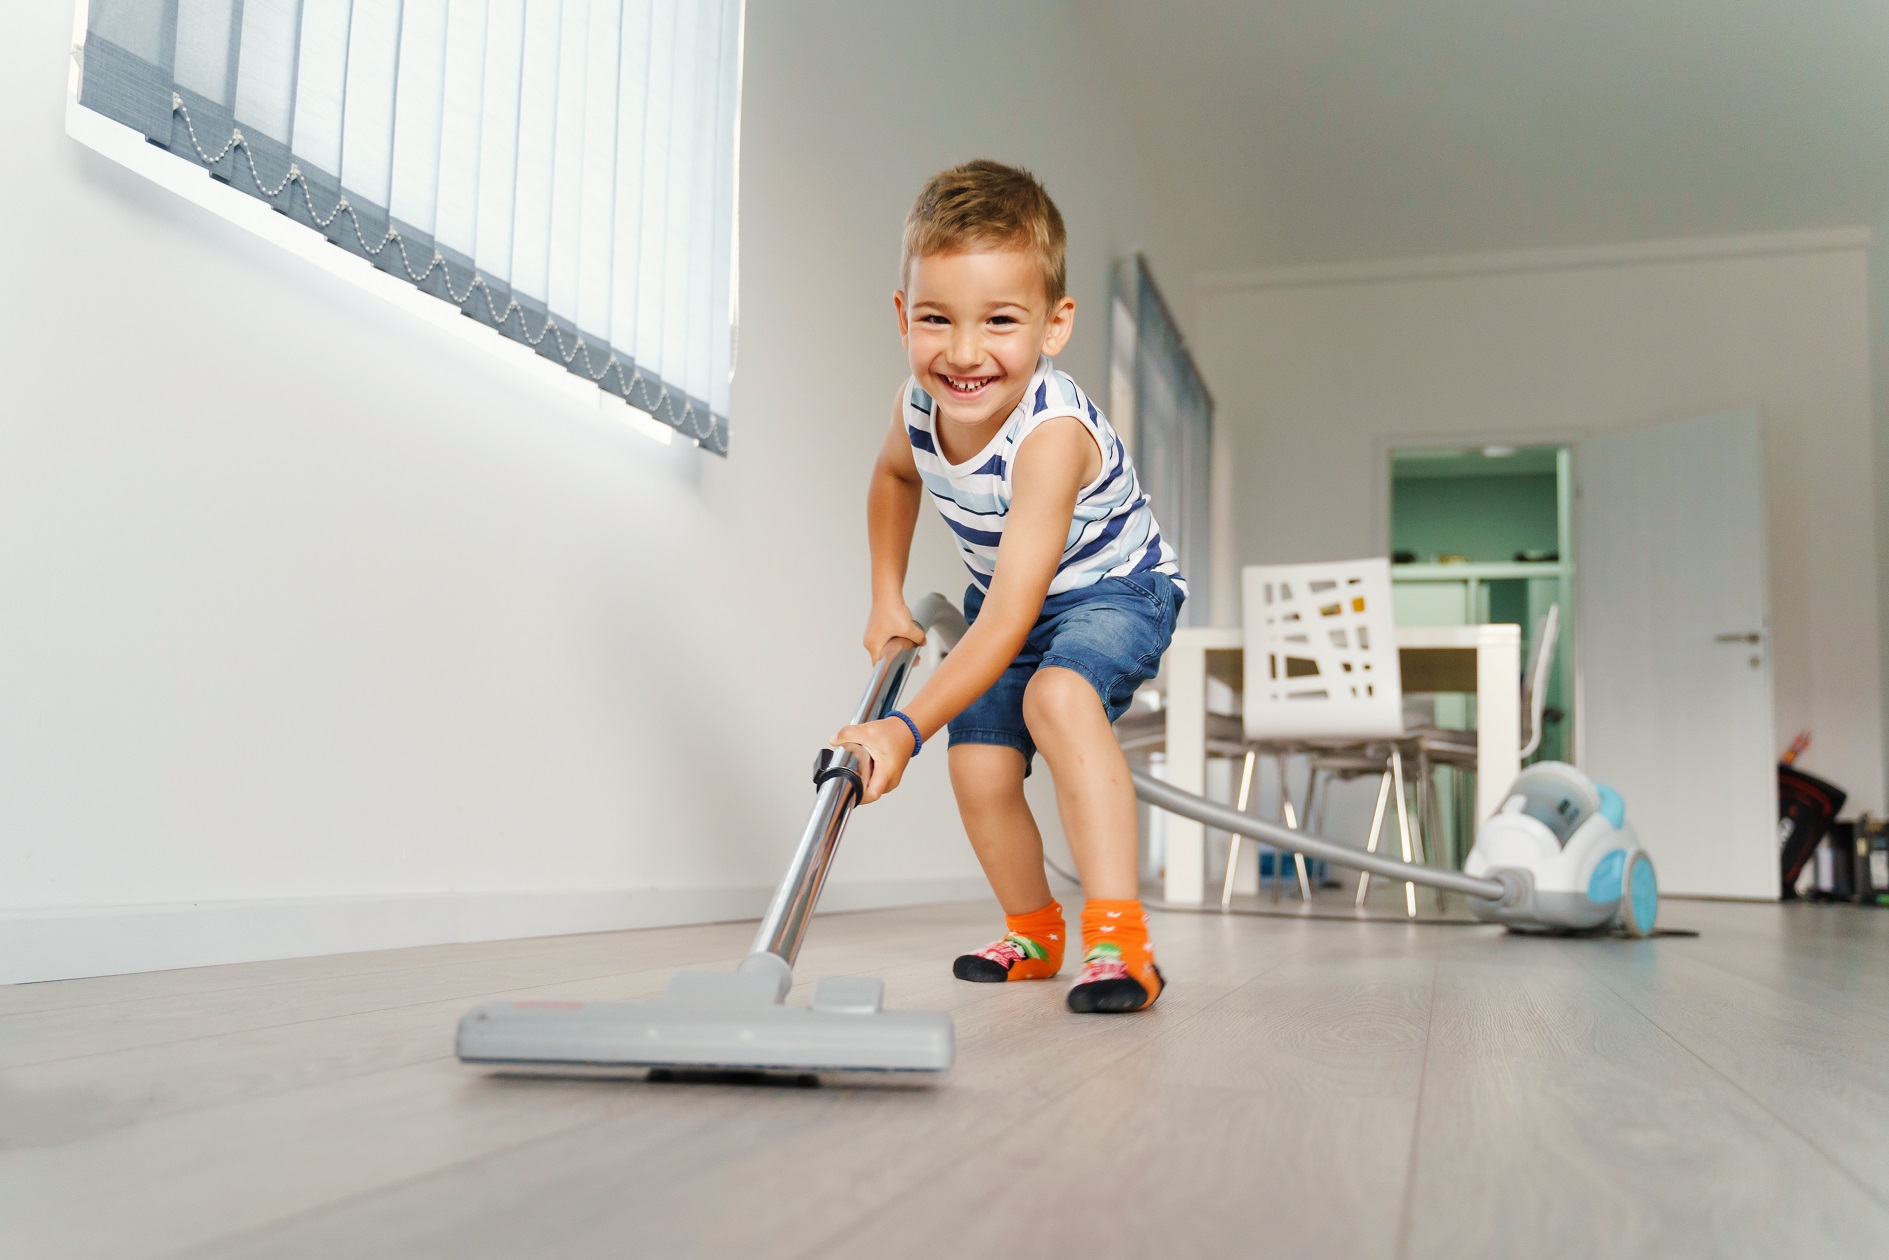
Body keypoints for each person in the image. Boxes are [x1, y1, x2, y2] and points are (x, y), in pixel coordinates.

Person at [835, 160, 1186, 1014]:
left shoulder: (1049, 435)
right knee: (982, 765)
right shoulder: (916, 410)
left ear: (1054, 324)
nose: (961, 353)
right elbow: (893, 479)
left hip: (1114, 591)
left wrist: (898, 729)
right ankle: (1033, 930)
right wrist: (886, 595)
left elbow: (1006, 622)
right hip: (1011, 605)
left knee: (1057, 702)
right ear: (901, 316)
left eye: (998, 321)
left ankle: (1120, 944)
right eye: (935, 319)